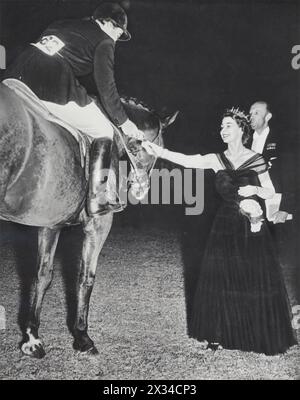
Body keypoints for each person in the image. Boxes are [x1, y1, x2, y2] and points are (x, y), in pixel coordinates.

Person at [142, 108, 297, 355]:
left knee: (251, 279)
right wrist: (158, 151)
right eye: (221, 127)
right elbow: (187, 160)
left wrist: (255, 192)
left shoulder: (256, 159)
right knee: (222, 279)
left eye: (227, 126)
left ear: (241, 130)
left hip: (251, 225)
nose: (222, 131)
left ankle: (254, 333)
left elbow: (270, 191)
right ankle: (218, 333)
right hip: (224, 225)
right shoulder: (216, 159)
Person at [3, 2, 143, 216]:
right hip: (50, 82)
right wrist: (125, 122)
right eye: (117, 30)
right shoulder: (104, 41)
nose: (117, 36)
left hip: (16, 72)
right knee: (103, 131)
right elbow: (106, 86)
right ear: (105, 22)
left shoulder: (62, 24)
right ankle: (98, 199)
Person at [249, 101, 294, 225]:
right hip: (253, 208)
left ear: (268, 117)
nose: (251, 116)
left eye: (256, 113)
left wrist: (285, 208)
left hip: (276, 208)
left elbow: (292, 177)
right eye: (250, 113)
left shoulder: (282, 140)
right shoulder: (245, 143)